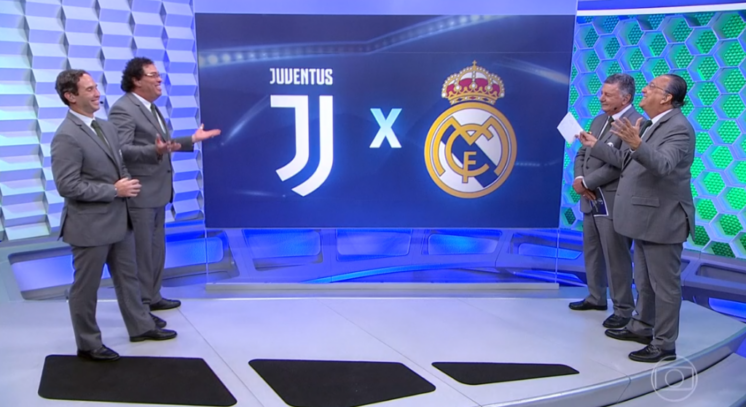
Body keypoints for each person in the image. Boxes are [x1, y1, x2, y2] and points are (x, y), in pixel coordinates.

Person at [51, 69, 177, 361]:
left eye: (96, 87)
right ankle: (88, 344)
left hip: (120, 220)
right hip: (89, 226)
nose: (97, 94)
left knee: (129, 278)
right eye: (89, 89)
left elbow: (119, 166)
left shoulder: (106, 128)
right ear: (70, 96)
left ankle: (141, 327)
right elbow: (67, 185)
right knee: (86, 289)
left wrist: (126, 184)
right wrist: (113, 190)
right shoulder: (66, 136)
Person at [578, 73, 695, 363]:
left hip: (663, 219)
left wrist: (635, 142)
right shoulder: (652, 124)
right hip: (644, 217)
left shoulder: (679, 128)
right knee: (644, 281)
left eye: (652, 87)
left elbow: (663, 164)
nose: (644, 89)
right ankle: (642, 326)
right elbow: (627, 162)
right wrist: (616, 144)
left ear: (667, 98)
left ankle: (664, 345)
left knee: (664, 286)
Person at [108, 57, 220, 322]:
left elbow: (162, 144)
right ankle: (141, 307)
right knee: (141, 253)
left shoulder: (151, 108)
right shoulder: (124, 109)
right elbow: (120, 150)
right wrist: (154, 150)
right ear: (136, 80)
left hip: (157, 193)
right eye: (153, 75)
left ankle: (153, 295)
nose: (159, 79)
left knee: (155, 250)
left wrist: (191, 139)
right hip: (140, 194)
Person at [569, 74, 641, 329]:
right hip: (590, 199)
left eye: (608, 95)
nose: (601, 98)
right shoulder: (599, 120)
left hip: (612, 201)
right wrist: (579, 179)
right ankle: (596, 297)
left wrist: (588, 182)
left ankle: (623, 308)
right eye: (602, 93)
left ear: (626, 98)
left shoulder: (635, 123)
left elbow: (622, 162)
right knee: (592, 250)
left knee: (616, 255)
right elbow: (582, 152)